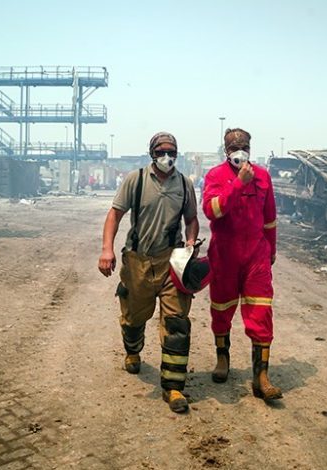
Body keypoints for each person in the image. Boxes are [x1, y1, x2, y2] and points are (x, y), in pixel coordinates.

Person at [98, 132, 199, 413]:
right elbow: (114, 214)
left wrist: (191, 242)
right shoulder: (137, 179)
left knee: (177, 323)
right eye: (161, 152)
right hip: (138, 261)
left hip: (171, 262)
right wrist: (107, 250)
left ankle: (173, 387)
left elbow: (191, 219)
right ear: (152, 153)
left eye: (171, 152)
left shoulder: (184, 184)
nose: (167, 157)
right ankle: (133, 349)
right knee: (134, 318)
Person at [202, 128, 282, 401]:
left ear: (250, 147)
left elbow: (270, 218)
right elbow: (211, 211)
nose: (240, 151)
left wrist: (271, 250)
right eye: (234, 147)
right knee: (221, 309)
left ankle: (262, 376)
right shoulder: (215, 176)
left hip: (256, 256)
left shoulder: (263, 176)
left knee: (261, 311)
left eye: (244, 146)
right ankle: (222, 359)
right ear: (226, 150)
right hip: (225, 255)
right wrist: (238, 184)